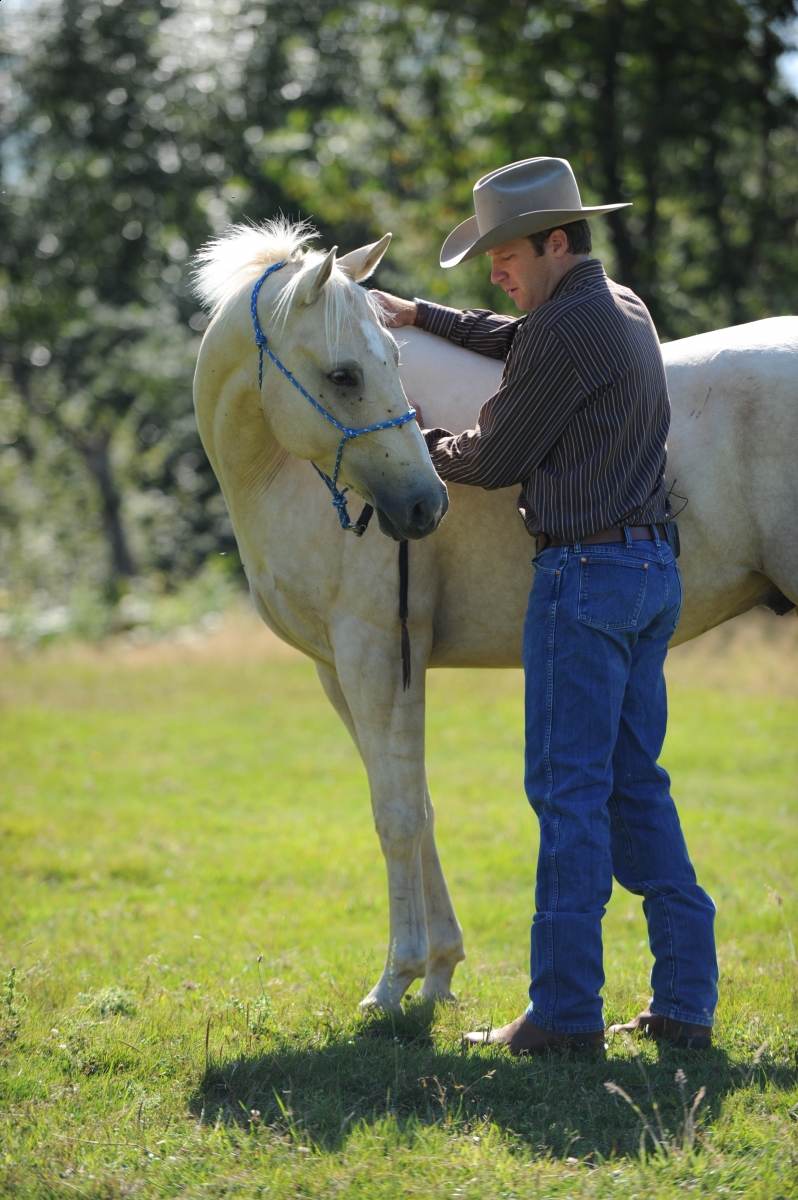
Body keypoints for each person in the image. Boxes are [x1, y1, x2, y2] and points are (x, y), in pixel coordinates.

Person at [374, 157, 718, 1055]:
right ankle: (687, 1000)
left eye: (505, 250)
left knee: (567, 795)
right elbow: (509, 335)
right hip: (648, 574)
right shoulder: (620, 306)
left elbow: (492, 457)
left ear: (555, 242)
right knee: (637, 790)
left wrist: (413, 437)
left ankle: (564, 1015)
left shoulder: (566, 331)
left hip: (584, 583)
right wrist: (421, 316)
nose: (494, 267)